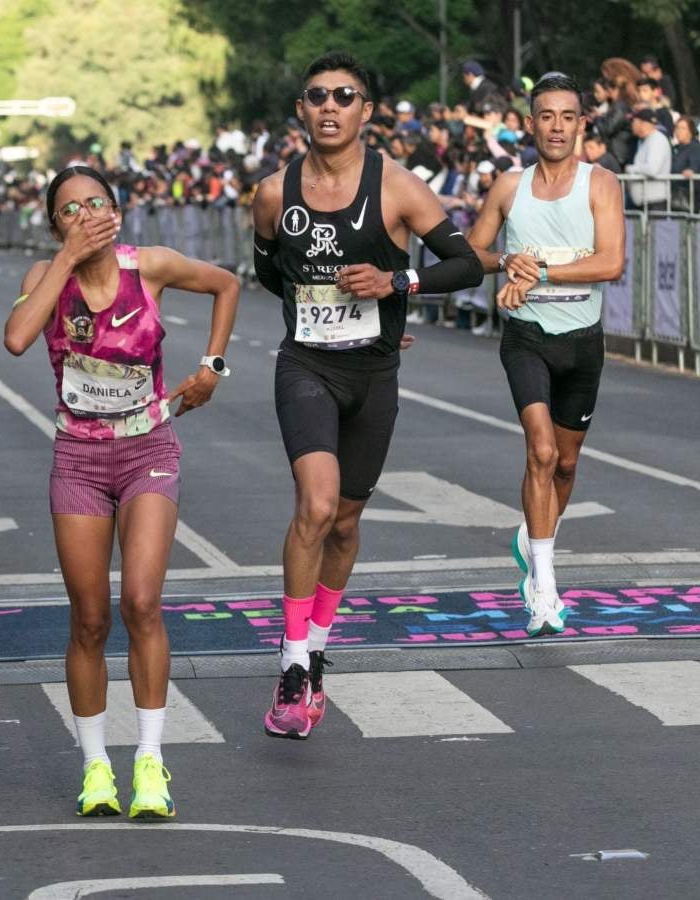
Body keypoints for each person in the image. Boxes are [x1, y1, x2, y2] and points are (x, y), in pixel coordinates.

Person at [252, 51, 483, 740]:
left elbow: (465, 263)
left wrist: (393, 289)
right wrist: (321, 310)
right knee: (316, 505)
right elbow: (272, 274)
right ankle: (293, 663)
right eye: (317, 96)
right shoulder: (273, 194)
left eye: (345, 96)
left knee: (347, 523)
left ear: (366, 111)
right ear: (301, 109)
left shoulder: (398, 188)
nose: (330, 107)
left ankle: (317, 644)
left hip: (374, 376)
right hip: (306, 366)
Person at [3, 164, 238, 818]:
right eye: (70, 209)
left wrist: (211, 369)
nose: (86, 215)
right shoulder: (43, 282)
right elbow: (17, 338)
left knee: (140, 600)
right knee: (89, 618)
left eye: (96, 202)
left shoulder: (151, 266)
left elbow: (226, 284)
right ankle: (96, 764)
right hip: (77, 458)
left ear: (118, 212)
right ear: (55, 224)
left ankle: (151, 761)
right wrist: (65, 260)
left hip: (148, 451)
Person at [467, 74, 624, 636]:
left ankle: (531, 542)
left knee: (566, 461)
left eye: (567, 116)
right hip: (527, 336)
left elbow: (610, 264)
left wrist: (541, 270)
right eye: (546, 116)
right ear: (529, 124)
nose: (556, 126)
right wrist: (507, 261)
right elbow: (473, 251)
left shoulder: (601, 183)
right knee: (539, 452)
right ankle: (545, 591)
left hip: (583, 341)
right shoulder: (509, 187)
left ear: (582, 124)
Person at [625, 108, 672, 211]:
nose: (631, 125)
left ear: (642, 123)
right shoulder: (644, 140)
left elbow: (652, 169)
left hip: (654, 202)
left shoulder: (657, 139)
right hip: (644, 202)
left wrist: (631, 169)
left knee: (656, 228)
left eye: (634, 122)